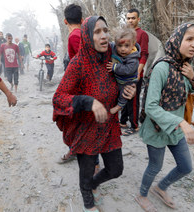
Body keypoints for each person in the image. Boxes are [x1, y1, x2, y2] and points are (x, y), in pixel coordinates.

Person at [52, 16, 136, 212]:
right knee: (87, 171)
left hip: (109, 127)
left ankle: (92, 185)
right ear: (87, 36)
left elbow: (127, 75)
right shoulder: (78, 63)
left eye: (105, 30)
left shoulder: (113, 57)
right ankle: (87, 198)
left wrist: (127, 93)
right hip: (86, 131)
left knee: (116, 169)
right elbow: (58, 98)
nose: (104, 36)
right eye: (97, 32)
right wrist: (88, 101)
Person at [135, 23, 194, 212]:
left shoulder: (186, 67)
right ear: (177, 39)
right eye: (189, 39)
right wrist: (181, 122)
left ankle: (160, 188)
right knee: (155, 166)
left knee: (186, 166)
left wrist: (193, 78)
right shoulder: (162, 68)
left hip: (175, 129)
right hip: (157, 128)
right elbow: (151, 107)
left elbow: (190, 92)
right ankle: (142, 195)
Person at [57, 3, 84, 164]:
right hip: (80, 86)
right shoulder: (83, 33)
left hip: (79, 87)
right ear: (81, 19)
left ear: (65, 21)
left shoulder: (75, 36)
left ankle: (91, 163)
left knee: (74, 121)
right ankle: (75, 150)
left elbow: (81, 63)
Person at [120, 8, 149, 136]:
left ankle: (135, 125)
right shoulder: (125, 34)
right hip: (124, 72)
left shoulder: (142, 34)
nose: (130, 20)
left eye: (133, 18)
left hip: (135, 74)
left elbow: (143, 55)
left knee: (134, 99)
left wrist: (137, 72)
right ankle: (122, 121)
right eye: (128, 18)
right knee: (125, 97)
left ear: (138, 19)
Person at [106, 27, 140, 114]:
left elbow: (128, 70)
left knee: (125, 92)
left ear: (133, 44)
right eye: (120, 46)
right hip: (118, 79)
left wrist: (115, 67)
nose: (123, 49)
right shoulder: (114, 48)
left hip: (128, 80)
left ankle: (119, 106)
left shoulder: (133, 58)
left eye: (126, 46)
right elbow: (109, 45)